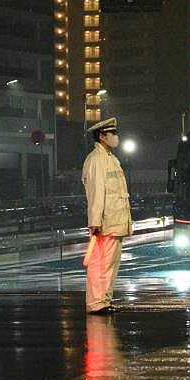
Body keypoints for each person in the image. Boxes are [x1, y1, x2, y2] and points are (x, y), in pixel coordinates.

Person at [82, 117, 133, 314]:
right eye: (113, 134)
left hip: (115, 221)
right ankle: (97, 303)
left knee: (110, 263)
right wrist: (95, 222)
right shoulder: (96, 160)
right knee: (100, 263)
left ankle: (104, 300)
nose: (116, 138)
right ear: (102, 136)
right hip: (106, 222)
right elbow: (96, 193)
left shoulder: (111, 159)